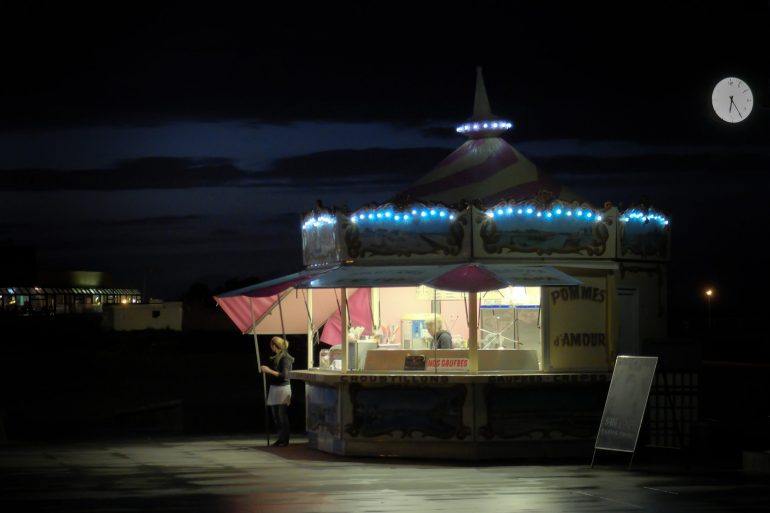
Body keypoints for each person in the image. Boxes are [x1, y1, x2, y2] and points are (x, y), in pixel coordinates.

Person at [260, 336, 295, 447]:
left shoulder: (285, 358)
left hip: (282, 388)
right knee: (276, 416)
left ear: (274, 346)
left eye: (272, 346)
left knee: (281, 415)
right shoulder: (276, 357)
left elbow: (284, 375)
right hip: (275, 388)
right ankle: (280, 438)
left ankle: (285, 439)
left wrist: (269, 370)